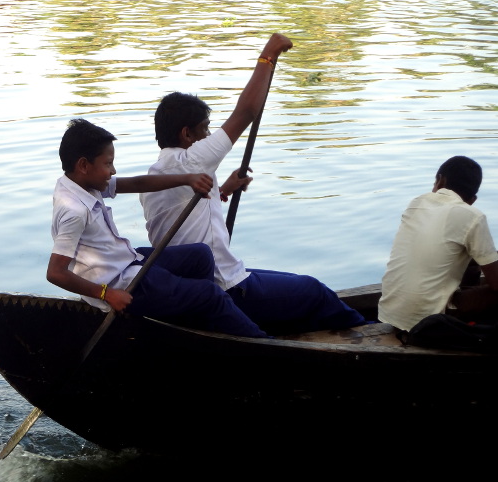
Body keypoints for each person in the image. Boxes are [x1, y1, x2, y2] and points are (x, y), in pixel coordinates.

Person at [139, 33, 366, 334]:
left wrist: (224, 191)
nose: (209, 136)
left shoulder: (154, 175)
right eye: (204, 129)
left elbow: (183, 218)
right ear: (187, 135)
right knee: (315, 291)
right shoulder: (193, 160)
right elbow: (246, 112)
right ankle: (371, 333)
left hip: (202, 280)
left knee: (294, 287)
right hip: (226, 285)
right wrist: (267, 55)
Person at [47, 118, 267, 338]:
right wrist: (107, 294)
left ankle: (195, 322)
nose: (113, 170)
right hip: (121, 283)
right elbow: (56, 273)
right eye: (107, 164)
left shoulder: (82, 183)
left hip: (126, 259)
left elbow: (137, 183)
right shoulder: (74, 210)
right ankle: (264, 343)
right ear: (84, 165)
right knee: (210, 294)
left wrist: (187, 179)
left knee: (200, 255)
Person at [378, 155, 498, 332]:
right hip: (431, 321)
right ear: (473, 200)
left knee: (472, 258)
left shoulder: (416, 203)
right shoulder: (473, 216)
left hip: (390, 313)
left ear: (439, 181)